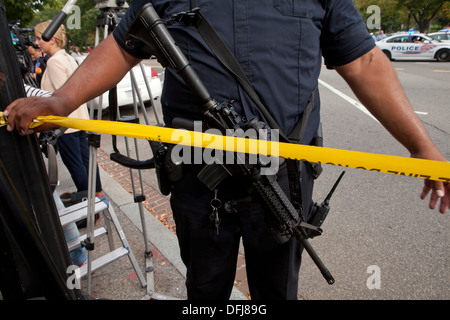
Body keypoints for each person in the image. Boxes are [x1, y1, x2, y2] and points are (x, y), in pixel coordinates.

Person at [5, 1, 449, 300]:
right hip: (200, 181)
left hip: (283, 178)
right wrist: (60, 102)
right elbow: (123, 46)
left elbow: (365, 61)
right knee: (205, 293)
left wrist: (423, 146)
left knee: (276, 291)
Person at [32, 20, 103, 198]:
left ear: (51, 39)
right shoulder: (67, 57)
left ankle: (87, 198)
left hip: (66, 125)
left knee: (76, 164)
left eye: (39, 38)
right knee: (87, 161)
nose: (37, 42)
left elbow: (61, 99)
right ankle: (96, 194)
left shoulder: (54, 62)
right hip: (79, 120)